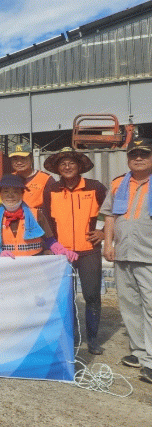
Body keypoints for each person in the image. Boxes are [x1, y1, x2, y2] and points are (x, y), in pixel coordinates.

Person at [43, 147, 108, 355]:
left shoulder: (95, 187)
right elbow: (46, 221)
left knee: (91, 295)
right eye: (63, 164)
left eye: (71, 163)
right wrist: (50, 246)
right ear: (57, 169)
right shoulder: (51, 190)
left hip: (89, 250)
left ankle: (92, 340)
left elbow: (112, 212)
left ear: (79, 166)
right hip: (62, 254)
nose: (67, 166)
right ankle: (70, 337)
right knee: (66, 297)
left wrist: (103, 232)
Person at [102, 137, 152, 382]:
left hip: (149, 255)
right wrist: (108, 244)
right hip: (123, 254)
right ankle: (139, 352)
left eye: (144, 154)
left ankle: (151, 359)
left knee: (151, 307)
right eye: (134, 154)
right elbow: (110, 216)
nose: (138, 158)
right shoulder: (118, 183)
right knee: (129, 305)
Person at [0, 174, 77, 262]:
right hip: (6, 266)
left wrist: (62, 251)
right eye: (6, 191)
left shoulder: (36, 214)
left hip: (34, 265)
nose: (10, 195)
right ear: (0, 194)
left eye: (15, 191)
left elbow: (49, 240)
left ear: (22, 194)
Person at [9, 143, 55, 209]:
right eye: (15, 159)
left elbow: (54, 205)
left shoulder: (46, 179)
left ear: (31, 159)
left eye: (23, 158)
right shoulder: (8, 179)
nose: (19, 162)